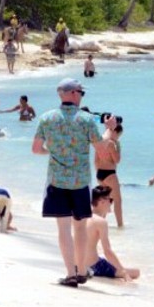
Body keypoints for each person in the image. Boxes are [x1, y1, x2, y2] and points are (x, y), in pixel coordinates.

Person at [32, 77, 115, 288]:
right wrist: (109, 129)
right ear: (73, 94)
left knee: (63, 228)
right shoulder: (86, 120)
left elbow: (36, 149)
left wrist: (52, 154)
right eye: (81, 93)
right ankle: (80, 270)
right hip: (80, 182)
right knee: (80, 228)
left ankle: (70, 273)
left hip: (56, 180)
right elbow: (102, 149)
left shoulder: (46, 118)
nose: (81, 96)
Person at [85, 185, 140, 281]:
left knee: (106, 260)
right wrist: (124, 272)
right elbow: (107, 251)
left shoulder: (83, 216)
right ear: (102, 202)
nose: (111, 203)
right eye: (110, 200)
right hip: (94, 267)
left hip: (79, 264)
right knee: (136, 272)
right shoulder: (101, 222)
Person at [95, 124, 125, 227]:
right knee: (118, 200)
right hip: (109, 174)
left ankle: (99, 222)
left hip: (100, 174)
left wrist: (98, 174)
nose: (118, 138)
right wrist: (119, 147)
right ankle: (120, 225)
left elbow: (95, 161)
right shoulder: (111, 144)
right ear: (115, 132)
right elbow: (117, 160)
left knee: (105, 200)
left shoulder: (100, 141)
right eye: (118, 135)